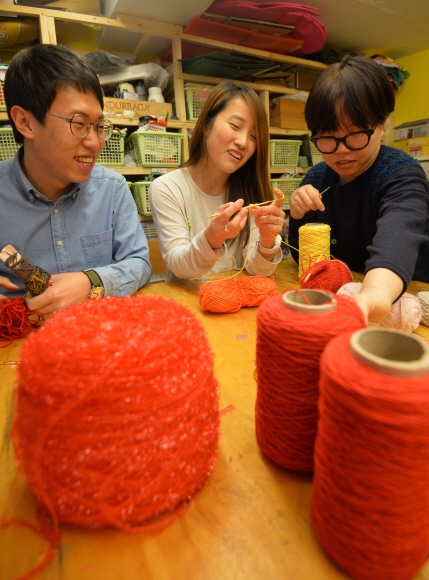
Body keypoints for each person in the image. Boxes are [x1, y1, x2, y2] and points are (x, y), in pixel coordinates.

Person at [0, 44, 152, 314]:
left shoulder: (112, 189)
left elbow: (139, 262)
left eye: (100, 126)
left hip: (93, 335)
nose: (95, 143)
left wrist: (92, 281)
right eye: (78, 124)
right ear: (25, 122)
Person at [288, 53, 429, 324]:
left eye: (355, 134)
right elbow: (304, 261)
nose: (341, 151)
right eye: (328, 137)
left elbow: (397, 240)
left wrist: (372, 296)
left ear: (382, 124)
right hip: (350, 295)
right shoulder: (316, 179)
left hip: (409, 297)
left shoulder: (402, 175)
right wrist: (297, 217)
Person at [148, 81, 285, 281]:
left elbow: (259, 272)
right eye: (235, 126)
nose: (243, 142)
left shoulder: (249, 190)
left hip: (239, 306)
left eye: (253, 136)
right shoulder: (167, 188)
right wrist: (211, 239)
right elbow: (178, 266)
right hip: (188, 304)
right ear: (206, 125)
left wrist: (267, 240)